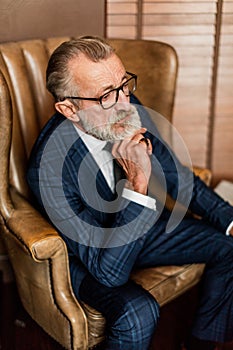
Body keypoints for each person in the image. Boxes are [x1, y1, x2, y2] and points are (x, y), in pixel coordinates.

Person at [27, 36, 233, 350]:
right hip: (89, 258)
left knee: (228, 245)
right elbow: (109, 273)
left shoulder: (125, 105)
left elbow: (174, 172)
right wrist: (138, 185)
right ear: (68, 108)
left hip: (139, 228)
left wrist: (230, 220)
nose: (125, 102)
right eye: (107, 95)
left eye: (124, 84)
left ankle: (200, 344)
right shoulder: (47, 169)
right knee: (138, 312)